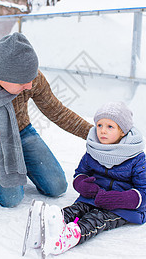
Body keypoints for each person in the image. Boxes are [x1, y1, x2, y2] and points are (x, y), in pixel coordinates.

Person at [0, 32, 92, 232]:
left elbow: (57, 111)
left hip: (21, 132)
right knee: (12, 198)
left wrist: (94, 134)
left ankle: (18, 161)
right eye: (23, 82)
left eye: (31, 78)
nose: (30, 86)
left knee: (57, 186)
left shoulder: (30, 77)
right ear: (2, 76)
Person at [25, 102, 146, 256]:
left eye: (110, 127)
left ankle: (70, 237)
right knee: (76, 210)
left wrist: (114, 199)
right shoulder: (94, 149)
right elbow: (80, 173)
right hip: (94, 197)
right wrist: (83, 185)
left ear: (122, 131)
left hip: (123, 208)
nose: (102, 131)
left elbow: (143, 193)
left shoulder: (136, 157)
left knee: (96, 218)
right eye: (100, 125)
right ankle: (50, 223)